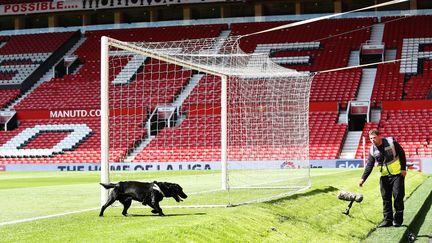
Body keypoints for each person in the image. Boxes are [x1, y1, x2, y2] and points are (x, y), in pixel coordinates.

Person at [358, 128, 407, 227]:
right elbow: (369, 165)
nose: (372, 140)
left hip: (397, 174)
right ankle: (387, 220)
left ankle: (397, 220)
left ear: (379, 136)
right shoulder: (372, 150)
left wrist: (403, 168)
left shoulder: (391, 143)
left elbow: (402, 153)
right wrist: (363, 178)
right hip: (384, 177)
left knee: (398, 196)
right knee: (386, 198)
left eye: (374, 138)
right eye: (371, 138)